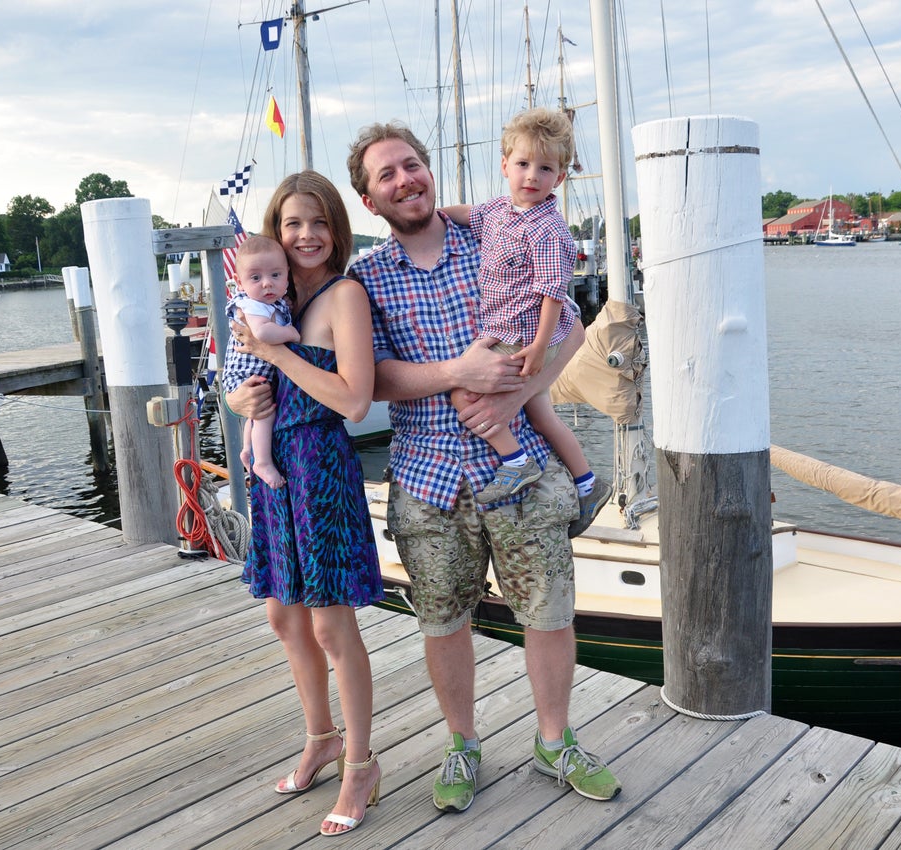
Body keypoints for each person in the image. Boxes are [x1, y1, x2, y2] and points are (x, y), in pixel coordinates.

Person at [346, 122, 622, 812]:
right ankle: (462, 744)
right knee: (443, 619)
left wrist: (522, 396)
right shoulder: (366, 278)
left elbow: (572, 330)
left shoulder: (502, 232)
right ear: (369, 200)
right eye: (387, 175)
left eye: (412, 165)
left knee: (549, 611)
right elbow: (369, 381)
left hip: (521, 468)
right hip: (428, 476)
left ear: (429, 171)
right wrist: (456, 372)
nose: (405, 179)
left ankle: (554, 742)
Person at [222, 171, 383, 837]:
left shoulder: (343, 297)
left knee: (328, 626)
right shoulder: (269, 300)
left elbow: (353, 399)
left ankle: (361, 764)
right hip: (274, 473)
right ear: (275, 232)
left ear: (336, 229)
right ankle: (320, 737)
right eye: (293, 224)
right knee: (284, 618)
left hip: (318, 465)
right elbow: (236, 382)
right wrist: (237, 397)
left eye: (318, 222)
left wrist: (274, 357)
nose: (306, 235)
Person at [440, 107, 611, 535]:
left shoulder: (549, 230)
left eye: (545, 168)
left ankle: (517, 462)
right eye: (522, 164)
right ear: (505, 166)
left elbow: (553, 293)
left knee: (463, 391)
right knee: (539, 412)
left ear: (561, 177)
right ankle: (588, 483)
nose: (531, 175)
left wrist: (537, 348)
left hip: (523, 331)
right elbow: (469, 214)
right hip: (506, 325)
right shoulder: (498, 211)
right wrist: (437, 216)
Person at [228, 235, 299, 487]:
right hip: (247, 373)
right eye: (256, 278)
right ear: (240, 282)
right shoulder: (252, 306)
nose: (267, 284)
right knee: (265, 414)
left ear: (287, 275)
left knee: (255, 416)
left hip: (253, 372)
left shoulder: (269, 302)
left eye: (276, 276)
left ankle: (247, 449)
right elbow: (262, 334)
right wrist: (291, 333)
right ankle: (262, 462)